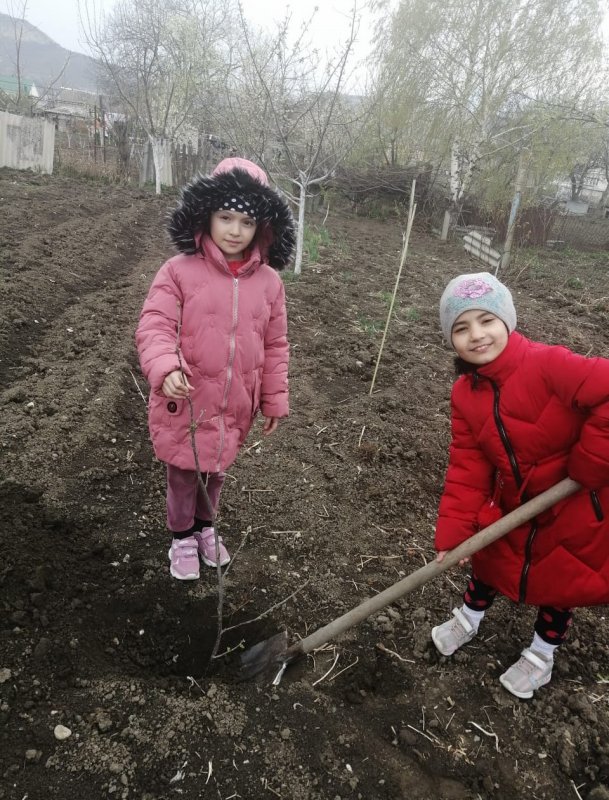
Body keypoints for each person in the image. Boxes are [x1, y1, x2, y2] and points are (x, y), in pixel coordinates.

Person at [431, 271, 609, 699]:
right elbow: (467, 466)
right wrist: (456, 532)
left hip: (576, 503)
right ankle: (468, 618)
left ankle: (541, 655)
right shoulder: (465, 393)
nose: (476, 335)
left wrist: (590, 462)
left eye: (486, 320)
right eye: (461, 327)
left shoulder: (548, 364)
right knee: (488, 559)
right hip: (514, 500)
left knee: (560, 581)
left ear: (507, 320)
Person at [136, 158, 295, 581]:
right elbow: (155, 324)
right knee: (184, 473)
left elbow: (275, 344)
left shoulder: (270, 284)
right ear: (206, 214)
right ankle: (182, 535)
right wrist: (165, 365)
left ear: (261, 225)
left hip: (234, 403)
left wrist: (273, 399)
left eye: (246, 220)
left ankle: (206, 528)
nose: (234, 230)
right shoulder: (178, 271)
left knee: (215, 470)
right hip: (188, 398)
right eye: (225, 217)